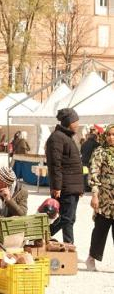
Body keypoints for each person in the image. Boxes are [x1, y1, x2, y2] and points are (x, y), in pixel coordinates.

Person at [44, 107, 83, 244]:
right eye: (75, 121)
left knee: (70, 219)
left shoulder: (66, 137)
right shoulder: (56, 138)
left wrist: (79, 189)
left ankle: (68, 246)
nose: (78, 124)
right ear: (68, 122)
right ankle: (43, 235)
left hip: (72, 187)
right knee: (66, 217)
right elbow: (55, 165)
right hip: (64, 188)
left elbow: (72, 164)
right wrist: (57, 187)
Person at [86, 124, 114, 271]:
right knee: (100, 230)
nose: (111, 137)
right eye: (109, 134)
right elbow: (94, 174)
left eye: (113, 135)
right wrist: (95, 195)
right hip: (105, 200)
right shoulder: (100, 152)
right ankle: (91, 257)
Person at [81, 125, 103, 193]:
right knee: (94, 174)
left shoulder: (84, 144)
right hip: (91, 162)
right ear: (95, 138)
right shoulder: (96, 143)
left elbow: (81, 151)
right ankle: (94, 186)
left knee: (85, 175)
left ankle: (85, 187)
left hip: (84, 161)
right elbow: (100, 150)